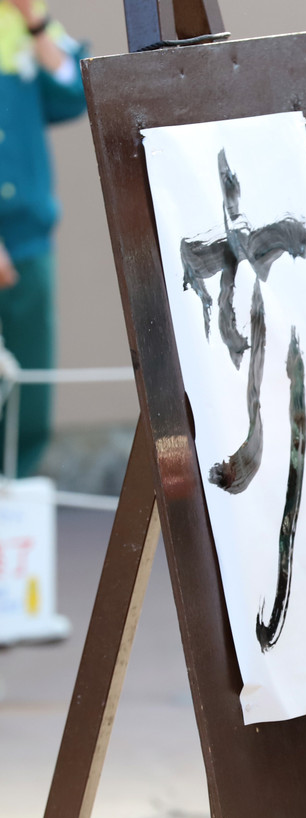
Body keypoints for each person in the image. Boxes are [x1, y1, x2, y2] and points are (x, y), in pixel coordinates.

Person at [0, 0, 87, 477]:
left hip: (30, 239)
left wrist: (34, 20)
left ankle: (14, 510)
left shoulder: (27, 26)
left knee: (28, 392)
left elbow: (72, 93)